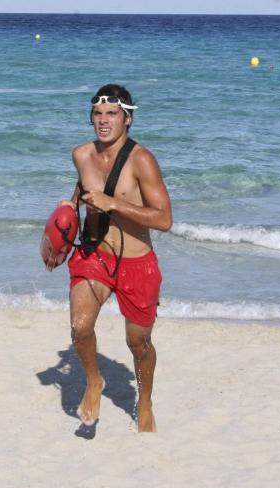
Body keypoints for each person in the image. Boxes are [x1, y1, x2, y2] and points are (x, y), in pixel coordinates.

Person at [60, 84, 172, 432]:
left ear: (128, 119)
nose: (103, 120)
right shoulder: (81, 154)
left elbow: (164, 219)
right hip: (94, 255)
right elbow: (83, 189)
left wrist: (115, 204)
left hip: (137, 263)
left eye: (112, 114)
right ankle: (95, 380)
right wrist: (67, 211)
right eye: (97, 113)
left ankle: (145, 400)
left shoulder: (142, 160)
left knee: (138, 343)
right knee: (80, 327)